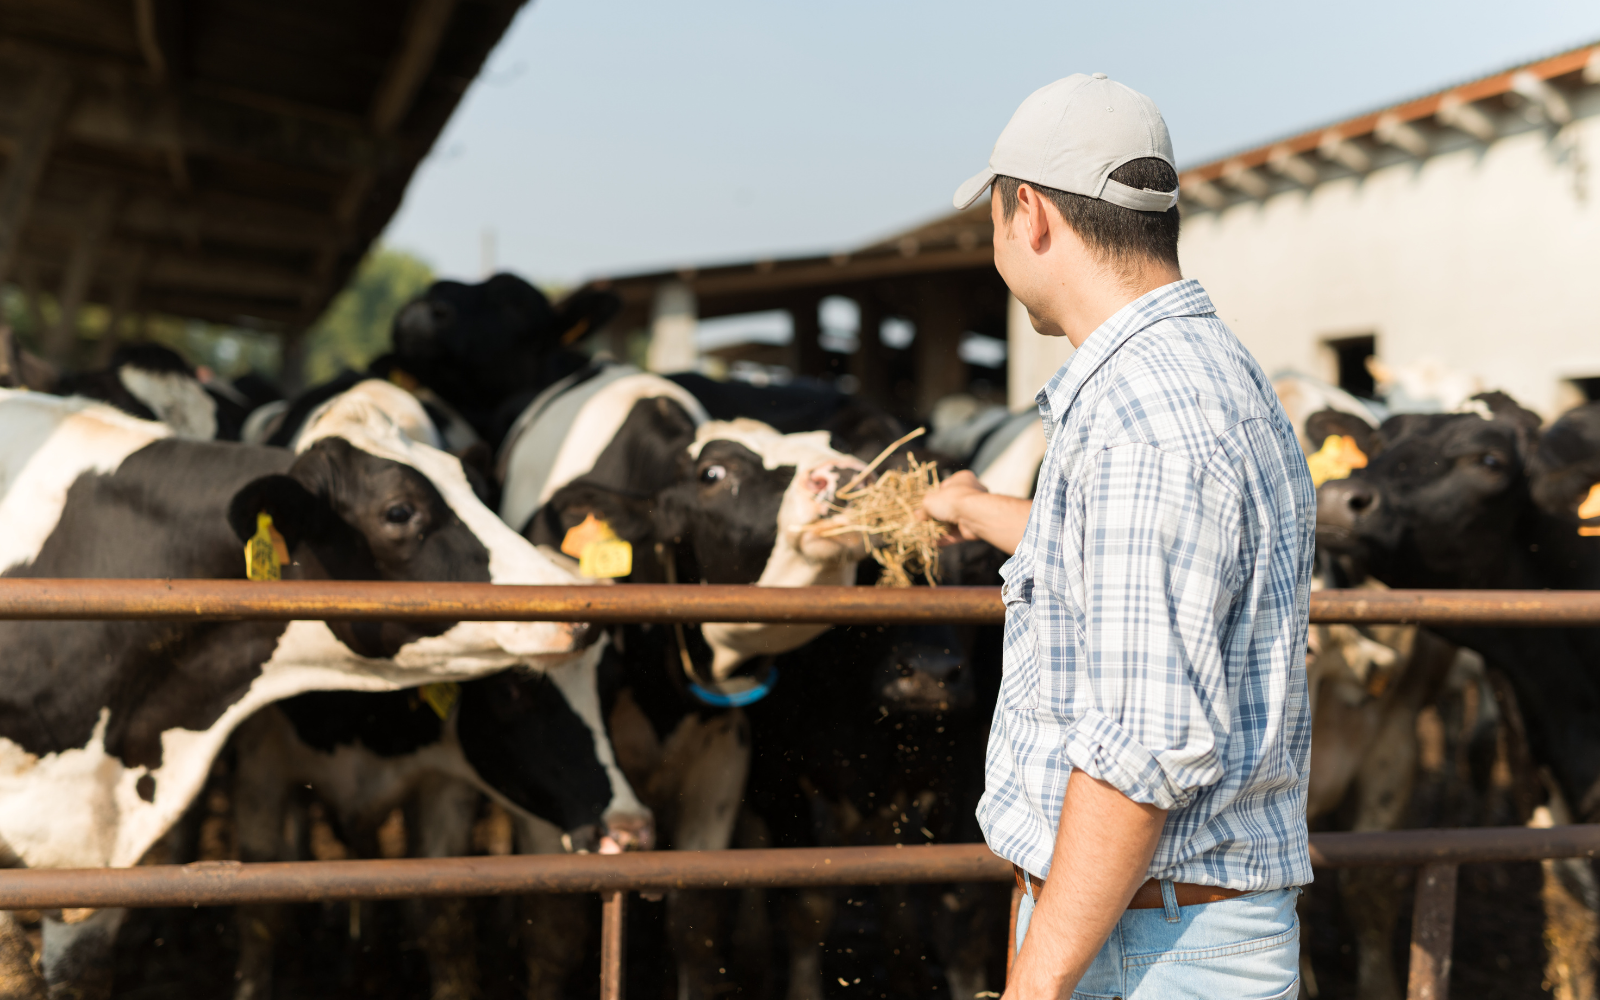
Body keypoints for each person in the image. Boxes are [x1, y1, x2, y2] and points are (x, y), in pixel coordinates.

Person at [922, 73, 1315, 999]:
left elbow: (1140, 753)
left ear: (1031, 214)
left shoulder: (1146, 422)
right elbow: (1139, 564)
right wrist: (978, 509)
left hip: (1147, 947)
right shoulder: (1208, 372)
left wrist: (1034, 985)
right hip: (1160, 922)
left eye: (992, 218)